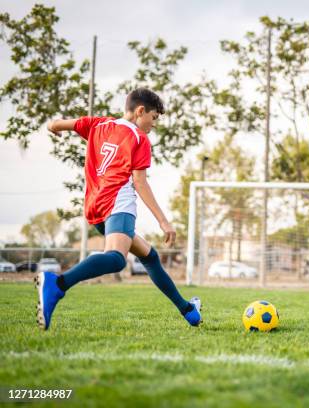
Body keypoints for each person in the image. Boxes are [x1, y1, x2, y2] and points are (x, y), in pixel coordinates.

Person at [37, 88, 201, 330]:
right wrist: (163, 221)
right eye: (154, 118)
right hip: (118, 203)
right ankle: (57, 284)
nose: (154, 124)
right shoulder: (138, 138)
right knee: (116, 259)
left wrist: (53, 127)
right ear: (140, 111)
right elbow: (139, 182)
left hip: (95, 206)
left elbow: (57, 124)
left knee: (150, 256)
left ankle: (188, 311)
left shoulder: (99, 124)